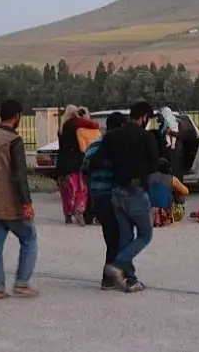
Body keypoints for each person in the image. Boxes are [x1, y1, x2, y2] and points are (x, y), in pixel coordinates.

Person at [92, 101, 159, 293]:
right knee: (145, 235)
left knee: (126, 236)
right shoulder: (146, 137)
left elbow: (96, 161)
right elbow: (153, 166)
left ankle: (131, 279)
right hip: (135, 191)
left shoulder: (112, 136)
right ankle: (117, 264)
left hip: (116, 193)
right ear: (144, 117)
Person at [0, 100, 39, 300]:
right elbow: (19, 175)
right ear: (16, 116)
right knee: (29, 238)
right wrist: (26, 203)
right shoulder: (14, 140)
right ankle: (22, 283)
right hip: (12, 202)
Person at [82, 111, 126, 290]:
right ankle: (110, 278)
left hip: (98, 197)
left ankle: (116, 274)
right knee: (117, 238)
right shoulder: (120, 147)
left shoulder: (93, 146)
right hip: (115, 198)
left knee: (111, 237)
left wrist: (92, 191)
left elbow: (85, 173)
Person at [56, 104, 99, 225]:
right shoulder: (76, 123)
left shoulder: (62, 127)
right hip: (76, 160)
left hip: (62, 161)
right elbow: (93, 125)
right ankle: (78, 209)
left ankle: (68, 214)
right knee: (80, 187)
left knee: (66, 190)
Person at [148, 158, 189, 227]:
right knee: (179, 194)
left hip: (149, 210)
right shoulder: (172, 178)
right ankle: (174, 213)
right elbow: (186, 191)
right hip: (165, 211)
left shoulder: (149, 177)